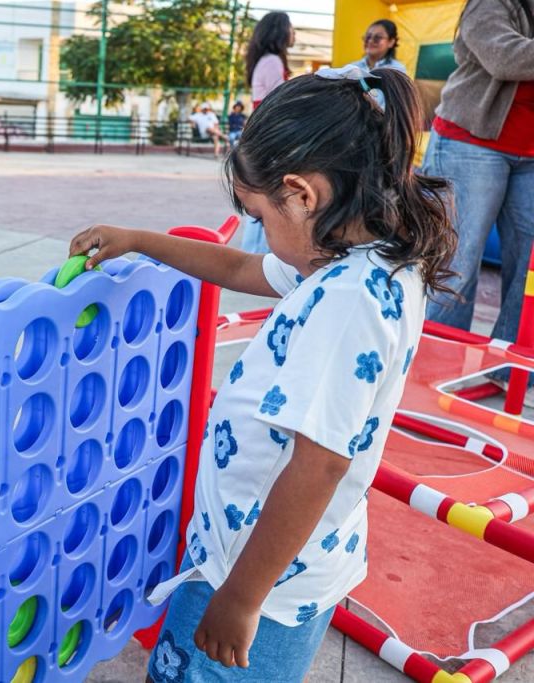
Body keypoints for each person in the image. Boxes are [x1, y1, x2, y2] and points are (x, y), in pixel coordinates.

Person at [70, 66, 455, 681]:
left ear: (302, 195)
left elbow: (320, 464)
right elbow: (241, 270)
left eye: (259, 215)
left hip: (257, 577)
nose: (262, 235)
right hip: (270, 557)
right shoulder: (357, 256)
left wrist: (241, 599)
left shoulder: (347, 300)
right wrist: (141, 240)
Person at [421, 0, 534, 405]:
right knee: (457, 261)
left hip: (530, 154)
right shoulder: (489, 3)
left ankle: (511, 371)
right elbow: (504, 57)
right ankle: (434, 369)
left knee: (529, 270)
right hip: (470, 143)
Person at [241, 11, 295, 254]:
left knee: (262, 194)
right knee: (268, 196)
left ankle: (257, 252)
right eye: (291, 28)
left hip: (263, 135)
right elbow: (277, 105)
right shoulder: (272, 61)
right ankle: (260, 254)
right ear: (280, 31)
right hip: (269, 137)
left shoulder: (265, 60)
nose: (294, 33)